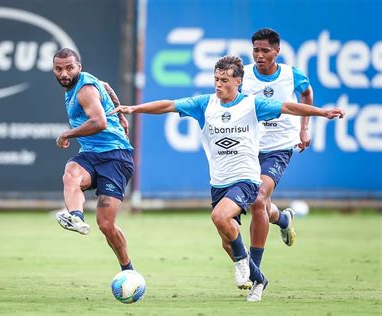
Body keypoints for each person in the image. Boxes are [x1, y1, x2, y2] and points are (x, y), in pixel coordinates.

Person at [110, 55, 344, 301]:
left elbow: (289, 107)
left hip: (246, 179)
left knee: (220, 216)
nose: (218, 84)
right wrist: (134, 109)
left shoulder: (253, 105)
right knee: (227, 242)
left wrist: (321, 113)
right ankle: (259, 280)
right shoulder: (205, 104)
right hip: (219, 182)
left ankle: (244, 262)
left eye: (224, 80)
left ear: (238, 82)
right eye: (216, 79)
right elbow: (168, 105)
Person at [52, 47, 135, 272]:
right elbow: (106, 86)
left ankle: (128, 270)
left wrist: (67, 134)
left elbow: (99, 122)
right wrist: (120, 114)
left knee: (106, 225)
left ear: (79, 67)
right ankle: (76, 217)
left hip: (116, 157)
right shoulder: (85, 83)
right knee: (71, 173)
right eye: (58, 69)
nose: (64, 74)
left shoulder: (85, 90)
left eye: (69, 68)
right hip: (91, 154)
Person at [242, 28, 313, 274]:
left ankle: (254, 269)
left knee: (259, 198)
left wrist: (304, 128)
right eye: (255, 50)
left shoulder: (291, 75)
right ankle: (283, 219)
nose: (259, 55)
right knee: (261, 204)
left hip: (279, 146)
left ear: (277, 51)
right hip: (249, 146)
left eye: (265, 50)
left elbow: (307, 94)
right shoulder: (243, 76)